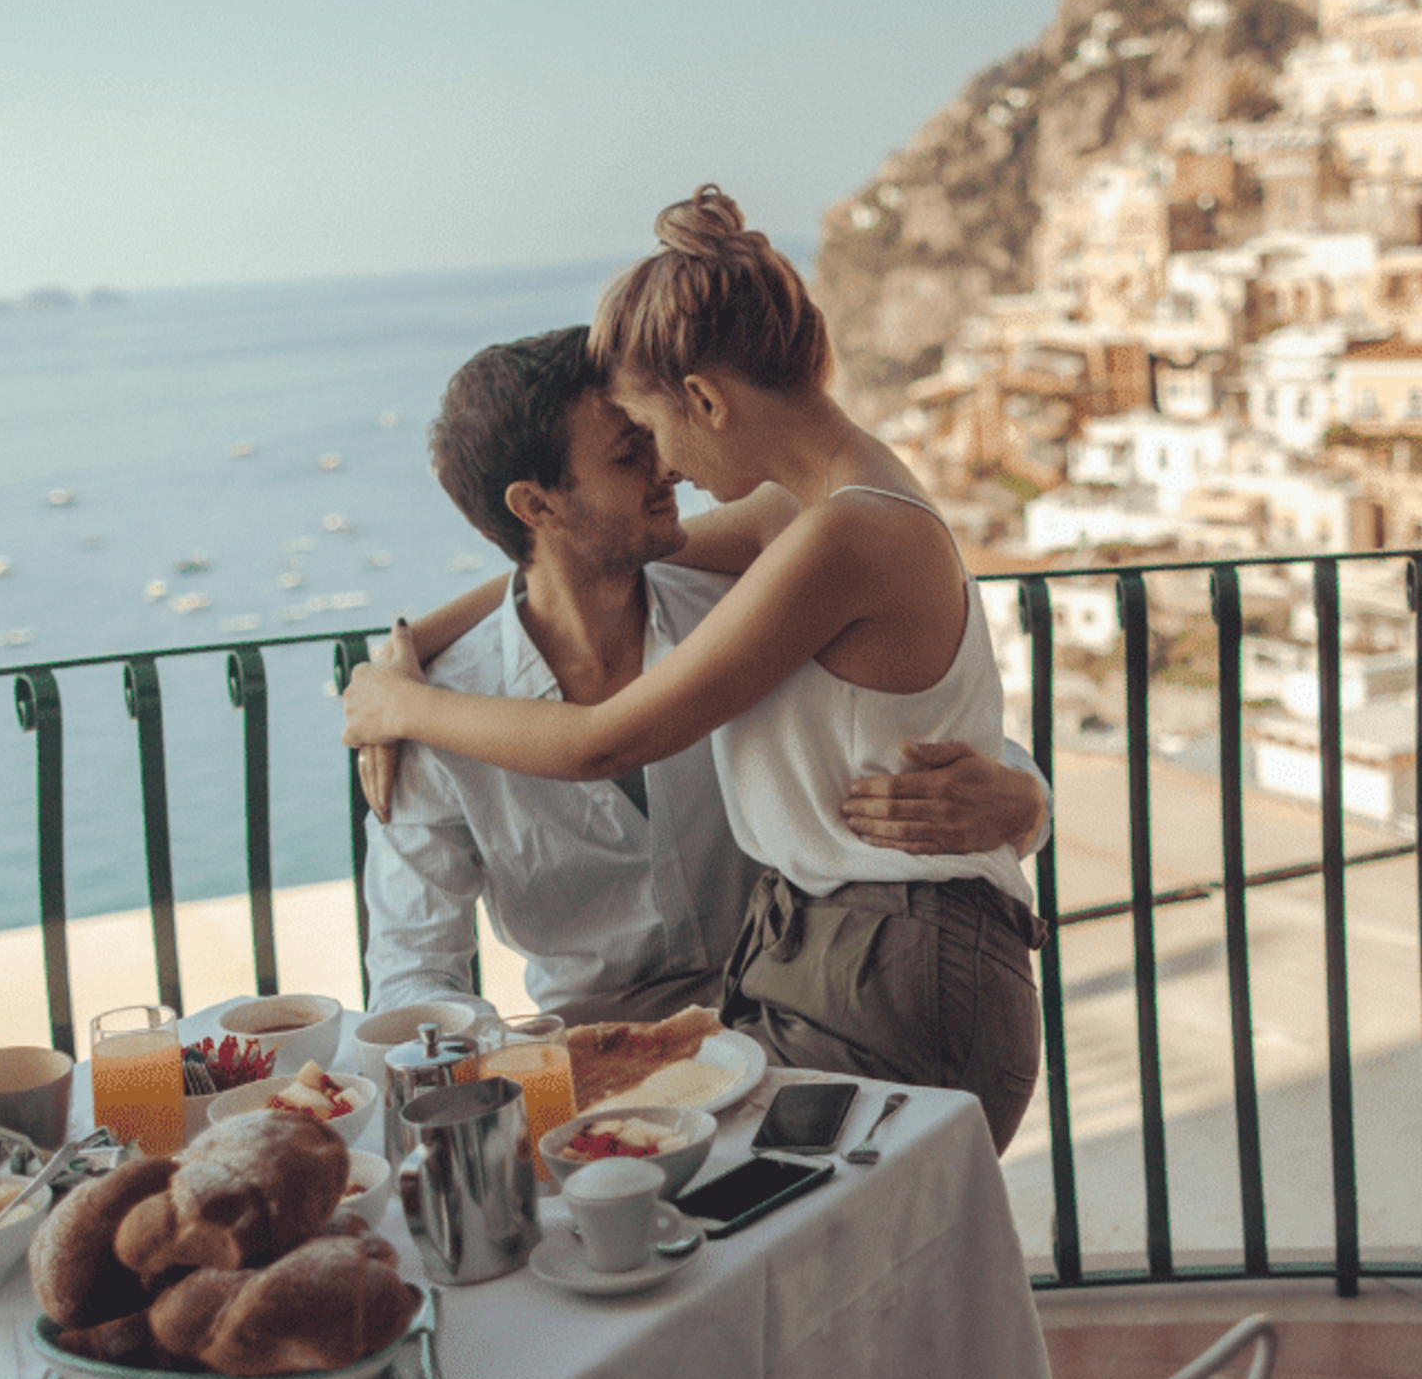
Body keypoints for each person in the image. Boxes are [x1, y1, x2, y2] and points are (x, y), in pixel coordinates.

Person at [342, 186, 1046, 1150]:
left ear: (705, 397)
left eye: (651, 431)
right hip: (818, 970)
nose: (667, 466)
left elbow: (602, 740)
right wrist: (416, 647)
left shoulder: (823, 542)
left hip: (886, 964)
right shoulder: (794, 523)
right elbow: (600, 557)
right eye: (635, 450)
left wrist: (403, 703)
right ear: (536, 507)